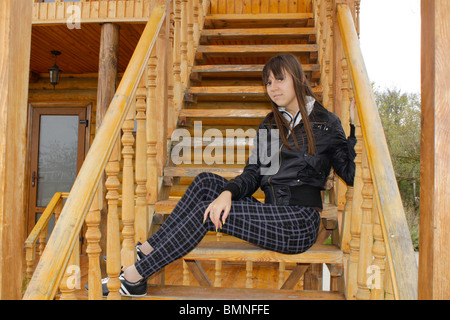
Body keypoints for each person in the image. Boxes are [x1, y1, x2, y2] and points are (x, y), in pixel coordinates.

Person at [90, 54, 356, 297]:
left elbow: (350, 173)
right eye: (268, 83)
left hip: (299, 223)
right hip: (271, 213)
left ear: (297, 78)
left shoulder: (327, 123)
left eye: (279, 79)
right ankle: (148, 249)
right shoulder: (271, 124)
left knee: (207, 212)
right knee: (207, 182)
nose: (273, 87)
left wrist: (356, 141)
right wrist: (227, 193)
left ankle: (135, 278)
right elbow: (253, 175)